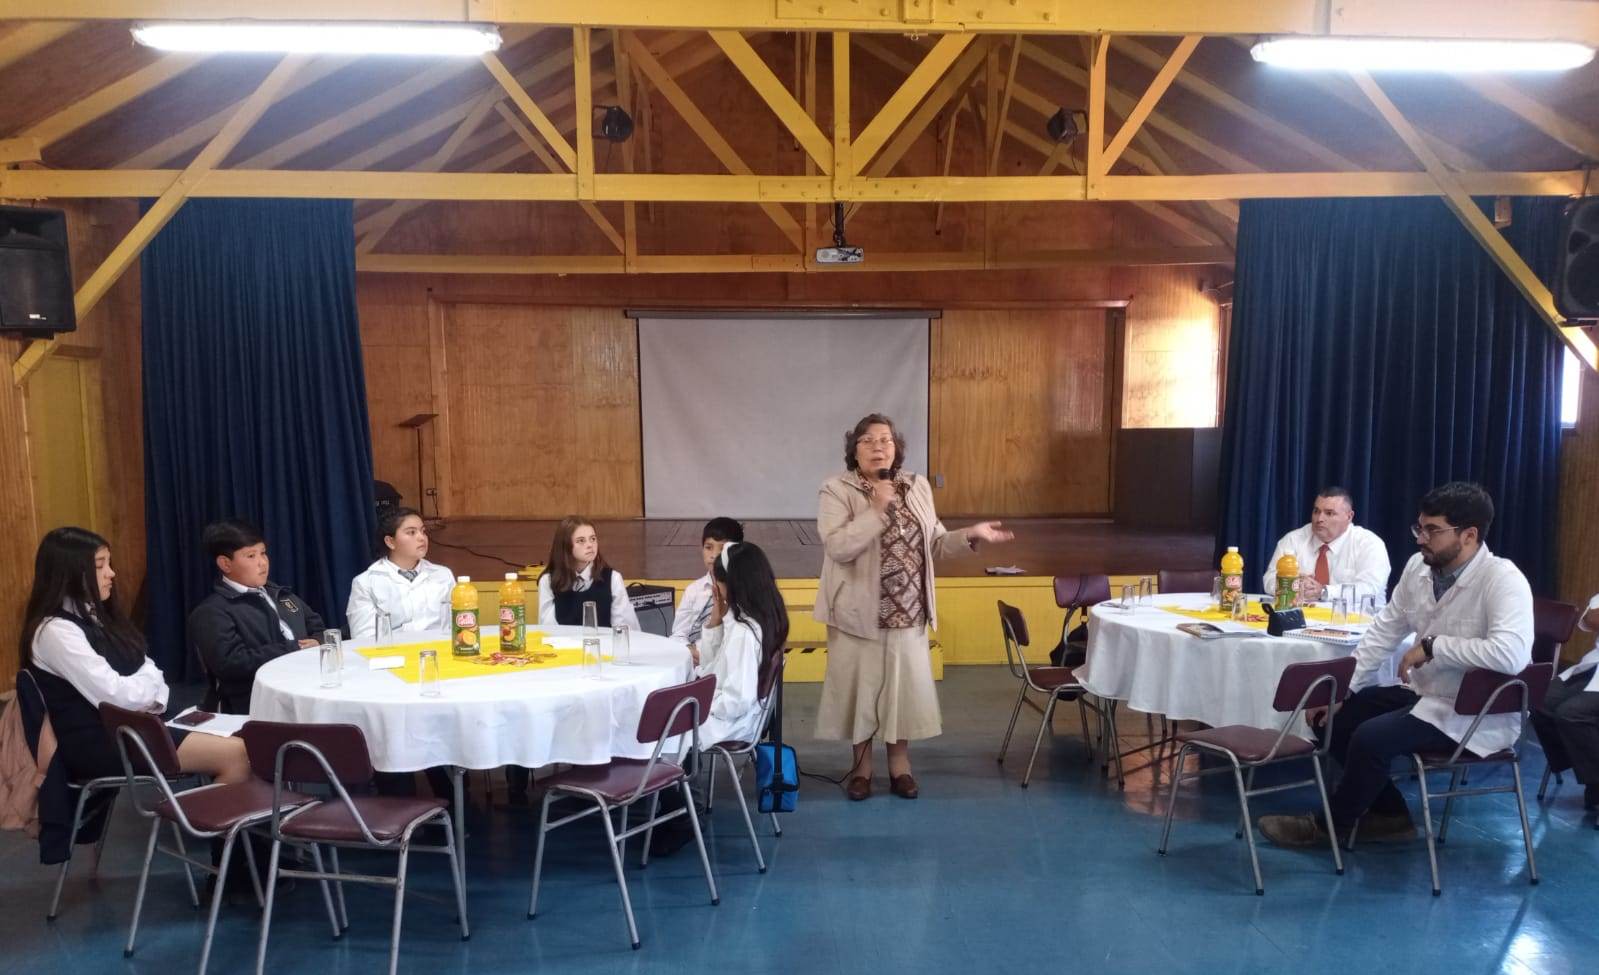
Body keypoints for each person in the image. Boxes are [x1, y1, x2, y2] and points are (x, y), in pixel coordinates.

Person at [1259, 482, 1533, 847]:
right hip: (1428, 695)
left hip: (1475, 710)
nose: (1421, 539)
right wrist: (1345, 689)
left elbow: (1511, 654)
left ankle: (1330, 829)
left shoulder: (1503, 579)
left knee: (1371, 738)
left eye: (1433, 530)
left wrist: (1434, 646)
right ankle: (1389, 814)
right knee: (1330, 717)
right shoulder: (1418, 567)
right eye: (1419, 527)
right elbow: (1384, 631)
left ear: (1469, 535)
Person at [815, 413, 1013, 801]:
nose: (878, 447)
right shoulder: (836, 489)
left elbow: (935, 541)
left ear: (897, 448)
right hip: (858, 613)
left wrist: (969, 536)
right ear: (854, 450)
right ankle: (861, 770)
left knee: (901, 694)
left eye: (885, 440)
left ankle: (900, 767)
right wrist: (876, 510)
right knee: (862, 693)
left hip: (908, 610)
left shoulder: (916, 485)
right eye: (868, 440)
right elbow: (838, 547)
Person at [21, 527, 252, 787]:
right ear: (69, 573)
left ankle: (211, 810)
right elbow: (115, 696)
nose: (111, 573)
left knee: (248, 738)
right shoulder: (55, 631)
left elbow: (146, 667)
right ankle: (205, 813)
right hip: (101, 740)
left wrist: (146, 690)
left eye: (109, 563)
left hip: (136, 724)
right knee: (238, 755)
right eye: (99, 566)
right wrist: (148, 689)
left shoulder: (96, 616)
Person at [650, 540, 788, 856]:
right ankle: (680, 806)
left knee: (665, 733)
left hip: (733, 718)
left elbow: (734, 699)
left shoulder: (744, 632)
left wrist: (699, 705)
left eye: (719, 582)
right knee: (672, 725)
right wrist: (714, 621)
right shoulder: (753, 618)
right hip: (736, 711)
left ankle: (686, 816)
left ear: (732, 585)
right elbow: (714, 667)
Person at [187, 520, 325, 714]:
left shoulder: (281, 594)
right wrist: (294, 649)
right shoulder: (211, 611)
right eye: (251, 556)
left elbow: (318, 628)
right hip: (255, 704)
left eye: (263, 553)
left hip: (307, 687)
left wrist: (318, 641)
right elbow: (232, 664)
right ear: (225, 564)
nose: (263, 562)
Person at [1261, 486, 1392, 603]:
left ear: (1349, 516)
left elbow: (1369, 588)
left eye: (1329, 513)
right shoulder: (1294, 539)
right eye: (1316, 511)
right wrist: (1292, 585)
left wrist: (1324, 592)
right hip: (1303, 618)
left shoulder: (1369, 543)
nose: (1319, 519)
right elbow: (1269, 579)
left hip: (1358, 619)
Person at [1530, 594, 1599, 810]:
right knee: (1538, 700)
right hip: (1594, 665)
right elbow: (1590, 619)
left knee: (1572, 714)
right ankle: (1589, 770)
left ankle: (1594, 782)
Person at [346, 507, 454, 639]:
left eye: (423, 531)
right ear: (390, 542)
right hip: (392, 650)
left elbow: (457, 624)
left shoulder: (443, 575)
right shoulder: (365, 582)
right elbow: (363, 637)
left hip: (439, 648)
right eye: (411, 532)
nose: (422, 538)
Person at [536, 516, 642, 631]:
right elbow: (548, 629)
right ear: (565, 545)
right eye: (581, 541)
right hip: (564, 642)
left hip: (605, 642)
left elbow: (626, 630)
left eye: (593, 539)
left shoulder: (613, 578)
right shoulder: (548, 581)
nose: (590, 545)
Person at [671, 517, 745, 648]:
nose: (714, 555)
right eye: (708, 547)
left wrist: (702, 652)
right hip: (691, 656)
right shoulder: (693, 590)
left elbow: (737, 638)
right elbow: (678, 634)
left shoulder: (744, 591)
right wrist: (689, 651)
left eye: (722, 549)